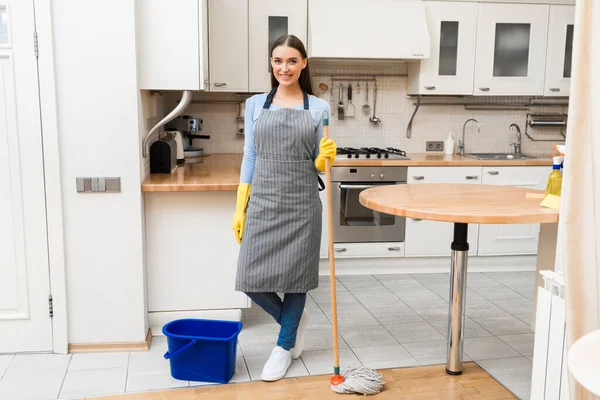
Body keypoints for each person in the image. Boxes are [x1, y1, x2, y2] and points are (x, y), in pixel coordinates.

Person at [231, 34, 336, 382]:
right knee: (249, 279)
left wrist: (325, 159)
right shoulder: (255, 104)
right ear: (271, 64)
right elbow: (251, 154)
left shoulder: (319, 108)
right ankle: (292, 320)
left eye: (292, 61)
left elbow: (319, 164)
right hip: (263, 199)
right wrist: (240, 204)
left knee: (296, 281)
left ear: (303, 63)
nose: (284, 67)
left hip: (302, 203)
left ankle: (284, 345)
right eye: (278, 60)